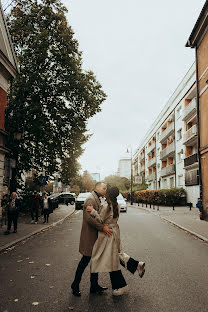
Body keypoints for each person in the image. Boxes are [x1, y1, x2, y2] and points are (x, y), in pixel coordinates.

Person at [87, 186, 145, 296]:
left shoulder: (106, 205)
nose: (104, 191)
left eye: (106, 190)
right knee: (115, 256)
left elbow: (100, 219)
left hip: (107, 233)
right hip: (115, 231)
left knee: (107, 258)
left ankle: (121, 285)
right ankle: (137, 265)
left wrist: (93, 211)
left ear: (107, 194)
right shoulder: (116, 204)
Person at [71, 182, 113, 297]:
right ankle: (75, 285)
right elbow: (89, 219)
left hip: (95, 236)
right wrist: (103, 227)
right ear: (97, 188)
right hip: (90, 236)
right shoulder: (91, 199)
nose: (105, 190)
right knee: (84, 261)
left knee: (95, 261)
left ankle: (94, 286)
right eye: (104, 188)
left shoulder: (97, 198)